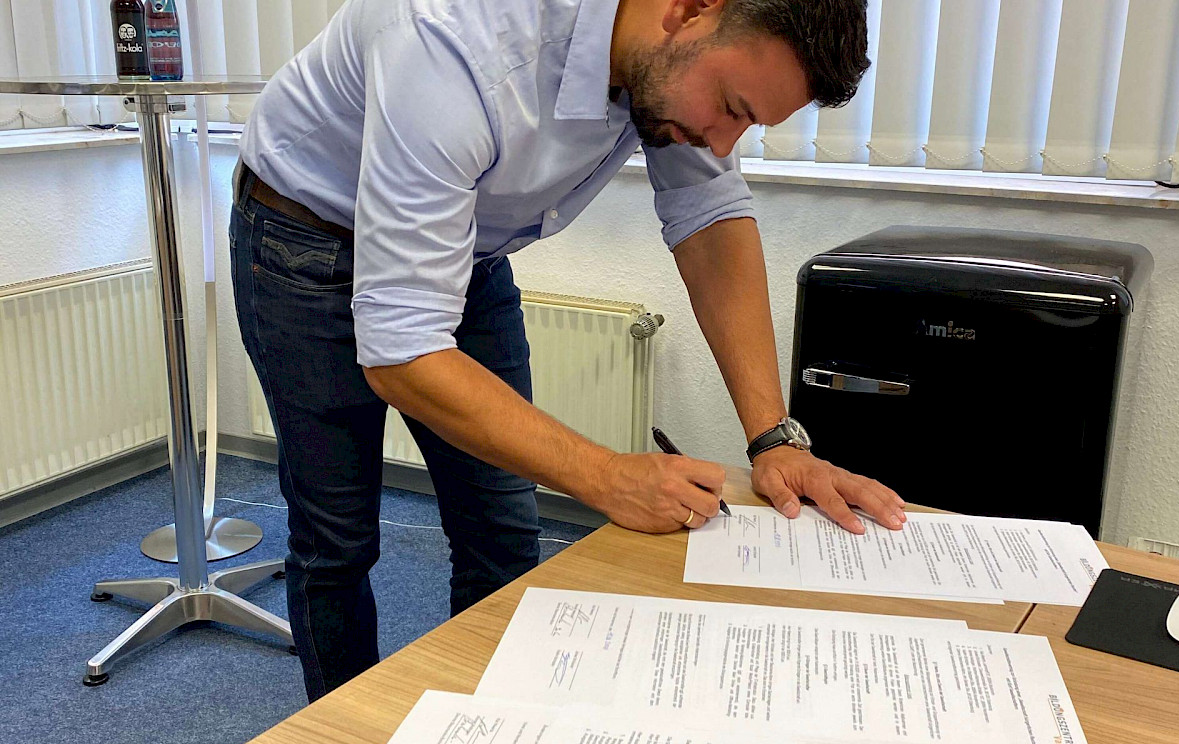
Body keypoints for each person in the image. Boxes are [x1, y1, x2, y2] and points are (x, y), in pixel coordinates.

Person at [230, 0, 906, 701]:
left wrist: (774, 440)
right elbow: (403, 351)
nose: (723, 143)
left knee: (502, 530)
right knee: (337, 542)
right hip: (303, 236)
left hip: (465, 247)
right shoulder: (450, 42)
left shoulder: (668, 52)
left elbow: (709, 215)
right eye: (732, 108)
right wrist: (607, 477)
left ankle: (487, 731)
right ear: (690, 10)